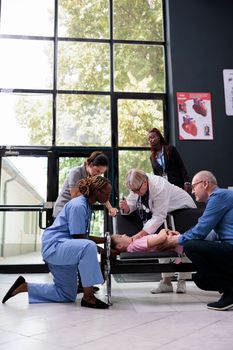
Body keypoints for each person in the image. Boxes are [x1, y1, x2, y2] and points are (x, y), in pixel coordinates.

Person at [2, 176, 112, 309]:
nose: (109, 196)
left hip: (65, 248)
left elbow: (82, 237)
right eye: (107, 193)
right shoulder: (79, 205)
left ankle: (23, 287)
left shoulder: (86, 205)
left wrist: (105, 243)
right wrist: (102, 246)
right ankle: (88, 298)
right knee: (88, 246)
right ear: (97, 191)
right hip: (56, 246)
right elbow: (80, 239)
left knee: (66, 294)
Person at [157, 170, 233, 311]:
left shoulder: (218, 196)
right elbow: (211, 234)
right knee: (201, 279)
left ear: (205, 184)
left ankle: (230, 292)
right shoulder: (224, 197)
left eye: (194, 186)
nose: (192, 191)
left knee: (190, 246)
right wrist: (181, 236)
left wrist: (177, 240)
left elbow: (200, 231)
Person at [119, 169, 196, 294]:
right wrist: (127, 207)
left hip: (182, 210)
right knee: (160, 244)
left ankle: (182, 281)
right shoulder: (136, 185)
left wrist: (139, 235)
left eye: (137, 190)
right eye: (132, 191)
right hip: (166, 214)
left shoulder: (159, 186)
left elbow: (159, 216)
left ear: (144, 182)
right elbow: (133, 202)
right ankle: (166, 283)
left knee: (182, 245)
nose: (135, 193)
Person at [53, 151, 118, 218]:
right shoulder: (76, 172)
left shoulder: (94, 176)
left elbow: (101, 193)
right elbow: (74, 195)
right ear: (90, 165)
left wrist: (110, 208)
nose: (98, 174)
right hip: (63, 210)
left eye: (101, 173)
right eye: (97, 171)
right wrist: (94, 193)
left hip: (76, 210)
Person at [148, 128, 192, 193]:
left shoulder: (171, 149)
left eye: (152, 137)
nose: (150, 140)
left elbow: (181, 165)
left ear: (159, 137)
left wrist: (186, 181)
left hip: (177, 184)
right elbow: (156, 174)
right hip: (164, 187)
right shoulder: (152, 157)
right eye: (149, 139)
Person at [111, 229, 183, 264]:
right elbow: (161, 238)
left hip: (172, 242)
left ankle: (167, 283)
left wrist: (168, 232)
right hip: (175, 243)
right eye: (120, 236)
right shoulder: (136, 244)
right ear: (120, 246)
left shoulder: (133, 246)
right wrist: (164, 230)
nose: (123, 234)